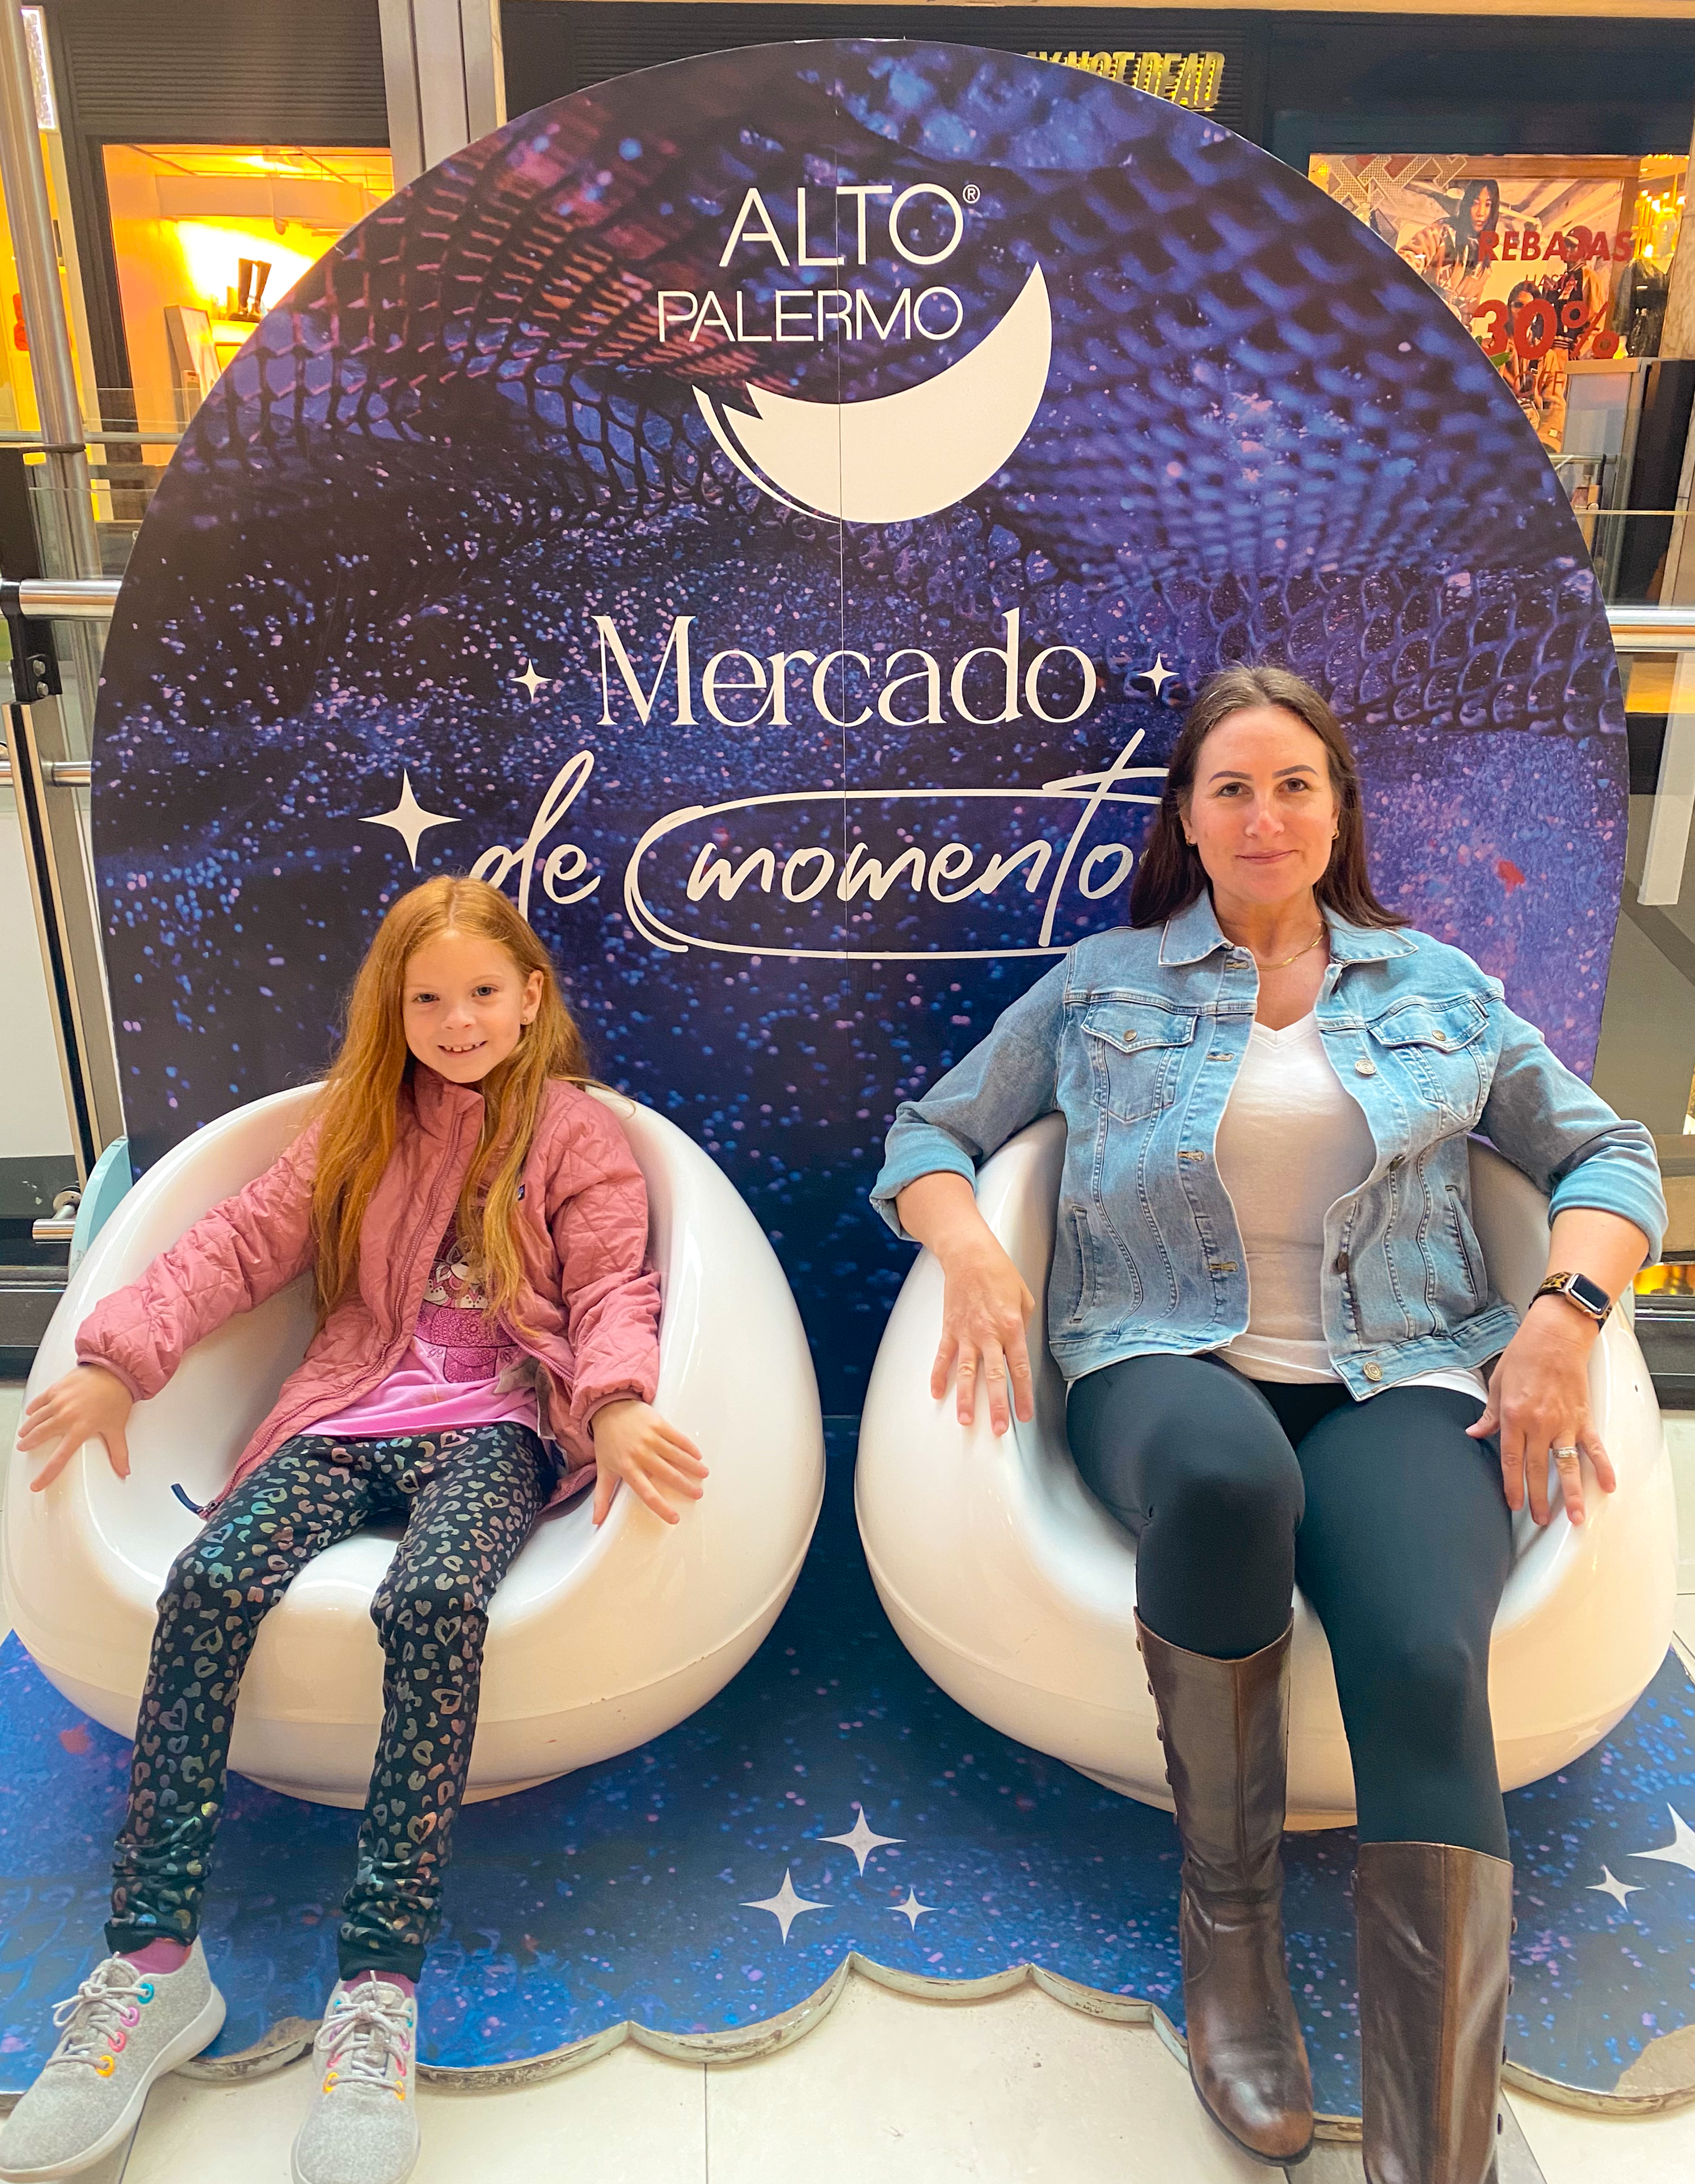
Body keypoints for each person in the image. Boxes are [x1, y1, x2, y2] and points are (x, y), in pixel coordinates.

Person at [870, 665, 1663, 2183]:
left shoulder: (1435, 986)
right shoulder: (1104, 984)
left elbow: (1604, 1153)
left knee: (1428, 1649)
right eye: (1228, 785)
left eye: (1292, 782)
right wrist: (970, 1246)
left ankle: (1437, 2145)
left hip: (1407, 1366)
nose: (1262, 812)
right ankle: (1227, 1931)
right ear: (1183, 815)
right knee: (1232, 1487)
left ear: (1336, 809)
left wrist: (1564, 1312)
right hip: (1164, 1358)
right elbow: (932, 1130)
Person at [0, 876, 706, 2184]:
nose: (455, 1019)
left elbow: (616, 1280)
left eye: (482, 992)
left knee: (433, 1603)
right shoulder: (357, 1126)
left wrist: (608, 1406)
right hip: (344, 1412)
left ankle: (375, 1989)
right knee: (210, 1579)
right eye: (426, 997)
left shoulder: (576, 1136)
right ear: (394, 1009)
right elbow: (234, 1244)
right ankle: (151, 1966)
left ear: (531, 998)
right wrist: (120, 1357)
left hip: (498, 1422)